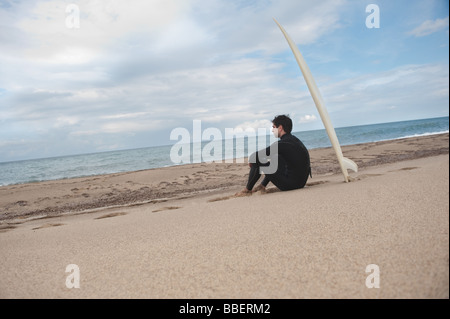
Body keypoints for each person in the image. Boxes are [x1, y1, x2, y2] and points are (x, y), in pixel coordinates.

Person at [235, 115, 311, 196]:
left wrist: (252, 161)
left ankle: (247, 190)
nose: (272, 130)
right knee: (277, 157)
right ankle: (262, 186)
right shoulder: (294, 140)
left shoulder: (282, 144)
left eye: (274, 127)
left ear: (280, 128)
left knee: (258, 159)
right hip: (300, 183)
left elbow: (255, 156)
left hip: (290, 185)